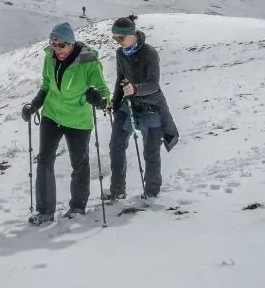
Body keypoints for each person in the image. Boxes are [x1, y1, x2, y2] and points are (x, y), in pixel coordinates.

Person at [20, 21, 107, 224]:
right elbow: (46, 85)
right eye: (53, 44)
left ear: (71, 43)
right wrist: (34, 105)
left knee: (79, 163)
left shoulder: (89, 62)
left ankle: (77, 207)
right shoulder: (49, 58)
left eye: (61, 45)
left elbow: (104, 93)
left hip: (78, 120)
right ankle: (45, 211)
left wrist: (99, 99)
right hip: (52, 115)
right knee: (44, 160)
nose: (56, 49)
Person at [106, 15, 179, 202]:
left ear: (132, 34)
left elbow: (154, 84)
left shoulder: (150, 53)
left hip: (151, 105)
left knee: (150, 150)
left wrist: (136, 88)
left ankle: (152, 191)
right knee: (116, 144)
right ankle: (117, 190)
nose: (118, 42)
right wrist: (114, 101)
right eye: (115, 38)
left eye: (120, 38)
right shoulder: (120, 54)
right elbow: (120, 79)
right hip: (128, 104)